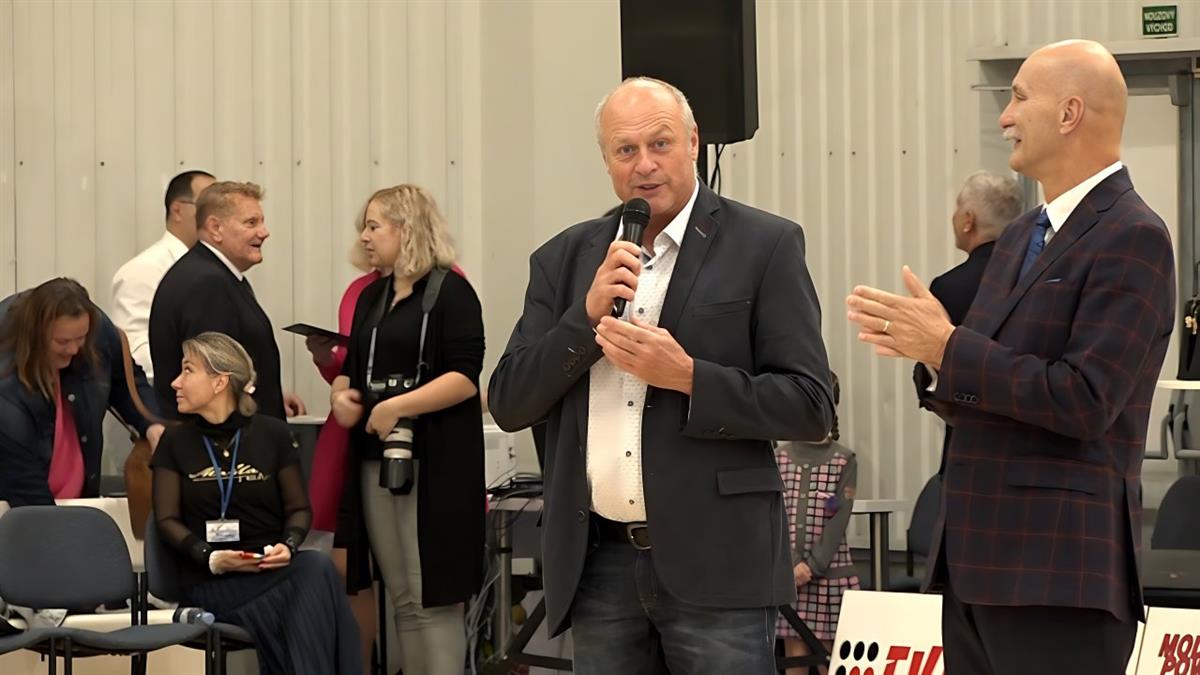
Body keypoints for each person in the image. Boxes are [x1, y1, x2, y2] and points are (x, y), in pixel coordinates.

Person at [847, 40, 1175, 675]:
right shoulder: (1024, 234)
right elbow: (985, 382)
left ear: (1070, 113)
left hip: (1059, 572)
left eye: (1020, 97)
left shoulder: (1134, 234)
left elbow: (1085, 400)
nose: (1005, 116)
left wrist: (948, 347)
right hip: (975, 563)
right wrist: (936, 360)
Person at [488, 77, 835, 674]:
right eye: (625, 149)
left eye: (660, 143)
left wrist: (690, 377)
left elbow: (810, 406)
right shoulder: (564, 259)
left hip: (720, 563)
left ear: (693, 142)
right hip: (598, 564)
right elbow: (509, 401)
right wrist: (583, 320)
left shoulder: (765, 244)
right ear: (605, 159)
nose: (644, 164)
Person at [329, 184, 484, 675]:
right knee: (401, 598)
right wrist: (340, 396)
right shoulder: (373, 296)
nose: (364, 236)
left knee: (430, 597)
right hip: (377, 458)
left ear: (407, 228)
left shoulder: (451, 292)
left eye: (374, 226)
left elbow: (465, 377)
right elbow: (350, 370)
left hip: (433, 461)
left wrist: (397, 407)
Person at [151, 332, 361, 675]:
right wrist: (212, 557)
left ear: (220, 382)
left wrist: (288, 546)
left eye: (188, 370)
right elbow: (166, 520)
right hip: (210, 581)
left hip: (270, 570)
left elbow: (298, 509)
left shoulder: (272, 435)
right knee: (307, 587)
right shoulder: (175, 441)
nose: (176, 382)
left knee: (313, 567)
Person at [149, 181, 305, 420]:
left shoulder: (213, 274)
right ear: (215, 228)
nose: (264, 232)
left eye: (262, 222)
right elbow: (213, 384)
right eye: (251, 223)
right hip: (223, 441)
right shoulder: (207, 284)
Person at [0, 278, 164, 506]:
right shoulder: (7, 386)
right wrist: (59, 523)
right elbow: (25, 485)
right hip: (23, 502)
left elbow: (126, 382)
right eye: (62, 341)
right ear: (36, 335)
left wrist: (152, 424)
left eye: (80, 338)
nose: (74, 349)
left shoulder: (97, 331)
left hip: (81, 496)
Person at [919, 170, 1021, 474]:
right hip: (1033, 448)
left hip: (969, 453)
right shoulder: (1038, 278)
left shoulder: (948, 288)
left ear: (968, 220)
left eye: (957, 208)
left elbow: (932, 380)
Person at [775, 372, 859, 675]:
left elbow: (840, 519)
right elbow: (774, 515)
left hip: (829, 576)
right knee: (795, 657)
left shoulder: (844, 459)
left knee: (829, 659)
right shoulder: (778, 457)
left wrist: (812, 566)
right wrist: (793, 564)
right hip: (790, 576)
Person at [111, 170, 216, 380]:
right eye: (207, 206)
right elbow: (136, 352)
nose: (216, 216)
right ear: (177, 210)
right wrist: (206, 373)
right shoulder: (144, 270)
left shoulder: (214, 269)